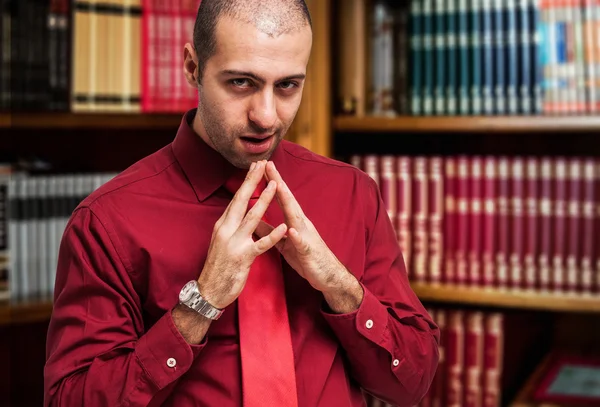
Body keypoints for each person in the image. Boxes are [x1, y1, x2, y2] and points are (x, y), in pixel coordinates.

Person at [43, 0, 439, 406]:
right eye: (241, 83)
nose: (266, 116)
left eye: (287, 85)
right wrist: (201, 303)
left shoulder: (352, 193)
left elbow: (411, 384)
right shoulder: (106, 221)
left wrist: (340, 287)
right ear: (192, 67)